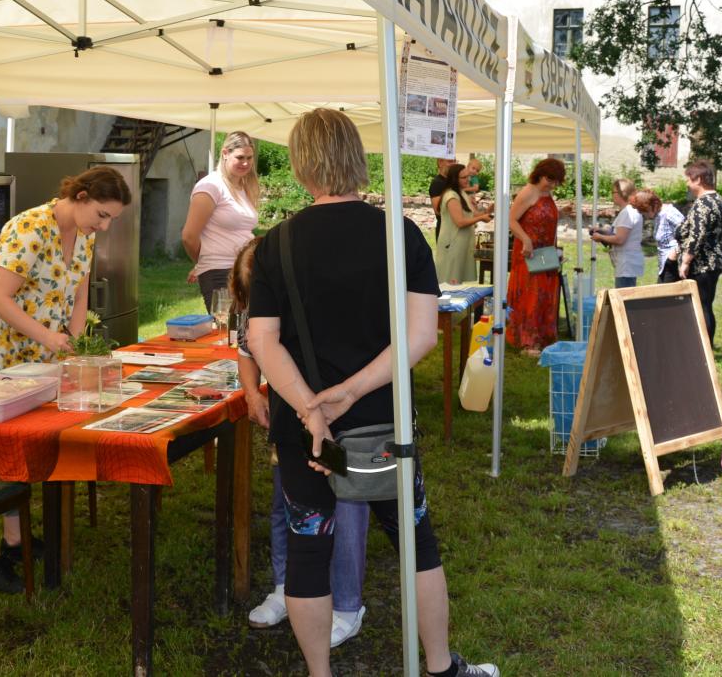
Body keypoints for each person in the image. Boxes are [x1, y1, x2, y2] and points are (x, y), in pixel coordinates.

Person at [247, 109, 499, 677]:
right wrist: (349, 391)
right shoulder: (400, 233)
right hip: (383, 422)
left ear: (301, 164)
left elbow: (262, 340)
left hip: (303, 426)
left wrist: (311, 406)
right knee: (415, 542)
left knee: (308, 548)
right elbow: (421, 336)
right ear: (357, 158)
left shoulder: (276, 243)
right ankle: (440, 667)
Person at [0, 165, 132, 593]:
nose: (104, 226)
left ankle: (15, 540)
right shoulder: (31, 228)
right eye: (102, 215)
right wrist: (51, 338)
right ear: (81, 196)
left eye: (111, 219)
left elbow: (80, 294)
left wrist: (75, 342)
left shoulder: (85, 235)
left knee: (20, 445)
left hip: (35, 354)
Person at [230, 238, 372, 647]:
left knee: (347, 505)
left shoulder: (316, 294)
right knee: (286, 502)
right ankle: (284, 587)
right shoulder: (252, 302)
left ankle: (347, 605)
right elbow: (247, 348)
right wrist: (252, 393)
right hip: (289, 422)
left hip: (336, 416)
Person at [182, 131, 260, 312]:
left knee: (247, 326)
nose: (246, 163)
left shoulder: (243, 187)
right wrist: (204, 261)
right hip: (219, 272)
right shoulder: (210, 186)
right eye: (240, 157)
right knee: (226, 326)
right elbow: (189, 236)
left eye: (249, 158)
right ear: (225, 153)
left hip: (245, 270)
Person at [506, 158, 567, 355]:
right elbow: (511, 220)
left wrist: (562, 212)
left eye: (556, 181)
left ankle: (543, 338)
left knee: (544, 295)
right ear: (540, 174)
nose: (552, 185)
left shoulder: (547, 193)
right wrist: (526, 239)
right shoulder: (528, 192)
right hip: (528, 253)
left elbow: (542, 215)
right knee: (530, 295)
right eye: (550, 180)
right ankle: (527, 341)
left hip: (546, 253)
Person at [675, 160, 722, 345]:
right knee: (705, 304)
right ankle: (704, 346)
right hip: (715, 260)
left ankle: (703, 348)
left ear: (698, 179)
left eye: (688, 179)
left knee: (701, 305)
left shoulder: (703, 203)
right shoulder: (718, 200)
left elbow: (697, 235)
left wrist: (685, 261)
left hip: (703, 263)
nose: (687, 183)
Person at [435, 163, 491, 284]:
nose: (468, 179)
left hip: (462, 245)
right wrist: (480, 218)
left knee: (460, 283)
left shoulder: (461, 193)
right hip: (452, 245)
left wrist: (488, 211)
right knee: (450, 284)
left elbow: (473, 214)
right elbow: (460, 222)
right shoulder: (451, 196)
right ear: (455, 179)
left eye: (468, 176)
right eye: (464, 177)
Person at [589, 178, 645, 288]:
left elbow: (620, 239)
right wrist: (602, 231)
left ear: (622, 193)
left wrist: (600, 237)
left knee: (623, 296)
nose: (612, 195)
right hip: (627, 263)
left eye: (613, 192)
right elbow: (618, 233)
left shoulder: (627, 213)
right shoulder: (629, 211)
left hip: (626, 264)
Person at [630, 189, 685, 283]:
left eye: (644, 211)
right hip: (665, 265)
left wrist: (674, 254)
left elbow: (688, 234)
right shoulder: (658, 215)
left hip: (674, 264)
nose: (643, 215)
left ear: (653, 206)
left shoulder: (670, 213)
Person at [428, 157, 457, 239]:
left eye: (454, 161)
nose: (453, 164)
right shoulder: (437, 183)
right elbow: (438, 211)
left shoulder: (453, 181)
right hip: (445, 232)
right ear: (440, 162)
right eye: (450, 161)